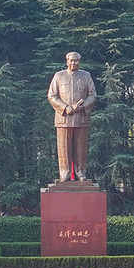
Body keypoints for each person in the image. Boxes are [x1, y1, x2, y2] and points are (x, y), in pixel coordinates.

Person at [47, 51, 98, 181]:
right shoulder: (59, 76)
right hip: (63, 118)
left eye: (76, 61)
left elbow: (92, 95)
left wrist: (83, 106)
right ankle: (64, 173)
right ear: (67, 61)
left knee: (81, 148)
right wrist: (66, 108)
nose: (73, 63)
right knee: (64, 148)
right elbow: (52, 96)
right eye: (71, 60)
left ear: (79, 62)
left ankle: (81, 172)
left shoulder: (86, 76)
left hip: (81, 118)